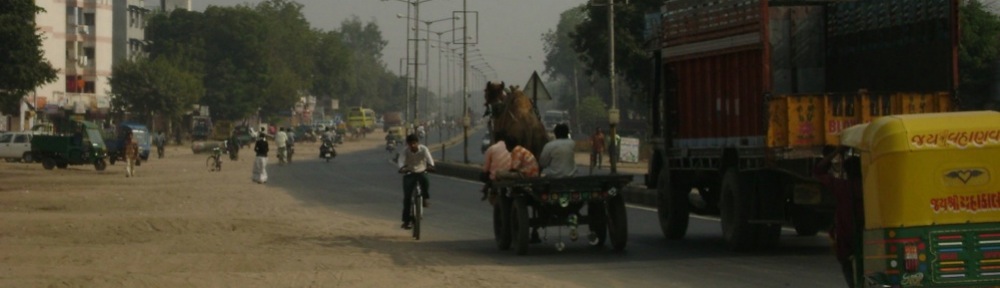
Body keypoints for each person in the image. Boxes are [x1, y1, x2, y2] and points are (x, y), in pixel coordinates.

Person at [814, 146, 862, 287]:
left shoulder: (841, 187)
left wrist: (835, 153)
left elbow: (818, 171)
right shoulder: (870, 186)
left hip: (846, 234)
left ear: (846, 172)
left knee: (846, 263)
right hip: (867, 232)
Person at [397, 134, 435, 230]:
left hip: (422, 171)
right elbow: (400, 160)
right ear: (408, 144)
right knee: (407, 198)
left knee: (426, 181)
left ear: (418, 143)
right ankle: (407, 220)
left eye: (414, 143)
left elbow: (429, 159)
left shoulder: (424, 149)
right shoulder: (405, 151)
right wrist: (401, 168)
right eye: (410, 144)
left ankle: (425, 198)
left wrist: (431, 166)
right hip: (409, 173)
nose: (413, 145)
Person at [480, 130, 511, 201]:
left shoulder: (491, 149)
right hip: (510, 173)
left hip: (496, 176)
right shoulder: (511, 147)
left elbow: (485, 169)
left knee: (482, 175)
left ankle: (489, 190)